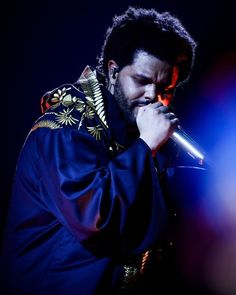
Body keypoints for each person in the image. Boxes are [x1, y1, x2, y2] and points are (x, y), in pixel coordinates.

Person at [1, 6, 203, 295]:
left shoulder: (139, 130)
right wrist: (146, 146)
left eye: (165, 89)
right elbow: (96, 216)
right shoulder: (64, 130)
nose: (153, 98)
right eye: (142, 81)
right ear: (112, 71)